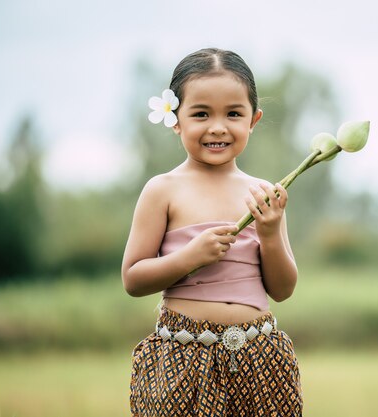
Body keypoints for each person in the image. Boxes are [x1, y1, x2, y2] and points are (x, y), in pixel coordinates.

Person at [122, 48, 303, 417]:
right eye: (201, 114)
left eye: (233, 114)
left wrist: (269, 233)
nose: (218, 127)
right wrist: (189, 258)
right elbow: (133, 278)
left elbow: (282, 290)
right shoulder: (163, 190)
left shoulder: (263, 194)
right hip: (183, 358)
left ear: (253, 120)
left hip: (259, 359)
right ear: (175, 120)